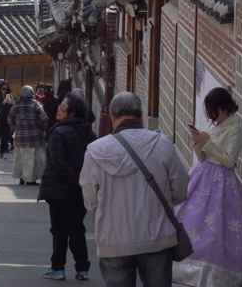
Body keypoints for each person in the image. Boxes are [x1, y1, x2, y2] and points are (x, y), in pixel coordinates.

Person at [79, 92, 190, 286]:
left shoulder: (95, 151)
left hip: (113, 239)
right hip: (157, 236)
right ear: (140, 115)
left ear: (112, 116)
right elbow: (180, 190)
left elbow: (90, 201)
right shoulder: (162, 143)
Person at [172, 87, 242, 286]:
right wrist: (199, 142)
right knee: (190, 215)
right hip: (202, 175)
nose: (212, 117)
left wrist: (208, 143)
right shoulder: (214, 126)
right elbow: (203, 155)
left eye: (214, 111)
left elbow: (229, 159)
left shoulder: (236, 130)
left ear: (224, 108)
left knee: (217, 223)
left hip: (222, 183)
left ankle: (215, 270)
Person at [38, 93, 96, 281]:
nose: (58, 109)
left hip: (59, 190)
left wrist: (74, 182)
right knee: (77, 229)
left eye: (62, 107)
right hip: (81, 191)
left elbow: (59, 163)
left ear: (71, 113)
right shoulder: (89, 133)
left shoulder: (58, 132)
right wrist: (82, 185)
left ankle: (58, 267)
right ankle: (83, 268)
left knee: (59, 230)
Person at [8, 85, 48, 185]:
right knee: (32, 160)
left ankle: (21, 178)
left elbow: (9, 119)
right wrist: (42, 128)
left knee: (20, 158)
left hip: (20, 138)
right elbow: (45, 119)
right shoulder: (36, 105)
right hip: (35, 137)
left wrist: (15, 126)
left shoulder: (16, 105)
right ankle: (30, 179)